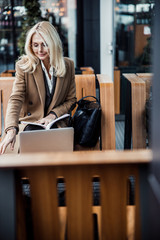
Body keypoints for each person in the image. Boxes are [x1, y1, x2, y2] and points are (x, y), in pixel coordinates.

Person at [0, 21, 76, 154]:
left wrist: (53, 115)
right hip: (32, 124)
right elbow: (16, 98)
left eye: (44, 45)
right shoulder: (24, 66)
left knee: (58, 152)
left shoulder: (68, 65)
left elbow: (71, 100)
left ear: (53, 44)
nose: (39, 50)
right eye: (35, 45)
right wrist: (11, 129)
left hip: (56, 124)